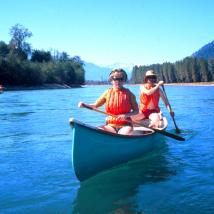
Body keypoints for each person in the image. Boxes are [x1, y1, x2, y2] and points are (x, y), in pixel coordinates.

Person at [78, 68, 139, 135]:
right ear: (112, 80)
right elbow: (95, 105)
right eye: (115, 79)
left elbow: (136, 111)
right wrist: (84, 105)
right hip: (110, 125)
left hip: (125, 125)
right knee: (98, 130)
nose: (117, 81)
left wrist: (125, 115)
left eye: (120, 79)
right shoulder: (107, 92)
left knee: (124, 134)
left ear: (124, 80)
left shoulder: (129, 94)